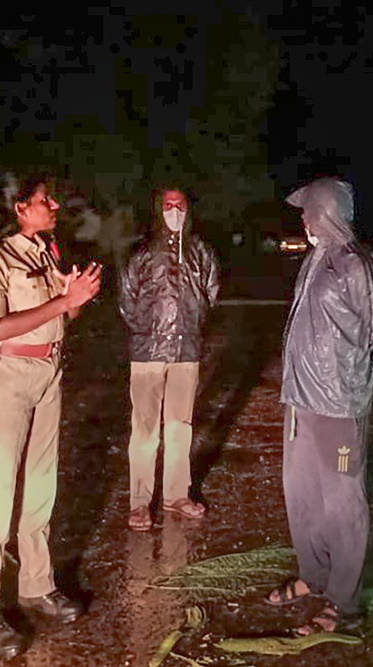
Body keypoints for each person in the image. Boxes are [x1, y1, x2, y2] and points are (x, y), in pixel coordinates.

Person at [0, 173, 102, 659]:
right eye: (45, 200)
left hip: (47, 374)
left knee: (42, 487)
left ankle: (37, 585)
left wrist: (75, 299)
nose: (55, 205)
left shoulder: (45, 251)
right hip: (5, 378)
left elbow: (61, 316)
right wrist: (64, 300)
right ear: (19, 207)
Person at [266, 177, 373, 635]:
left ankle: (345, 602)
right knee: (301, 492)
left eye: (308, 210)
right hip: (300, 400)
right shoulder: (314, 260)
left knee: (342, 503)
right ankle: (314, 574)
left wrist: (361, 375)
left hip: (339, 406)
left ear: (326, 212)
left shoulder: (359, 265)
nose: (303, 220)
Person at [118, 185, 220, 531]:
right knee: (145, 429)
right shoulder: (142, 253)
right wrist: (147, 331)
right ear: (157, 210)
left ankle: (177, 494)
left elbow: (211, 292)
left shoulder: (200, 252)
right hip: (147, 353)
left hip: (186, 351)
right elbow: (127, 299)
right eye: (167, 204)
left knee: (180, 426)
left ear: (188, 210)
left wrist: (191, 323)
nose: (173, 210)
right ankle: (139, 502)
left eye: (179, 204)